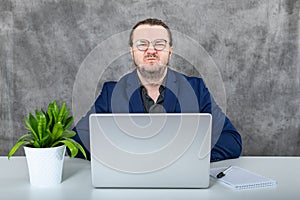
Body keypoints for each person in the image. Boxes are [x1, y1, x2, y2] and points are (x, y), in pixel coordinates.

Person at [72, 18, 242, 162]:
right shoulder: (111, 92)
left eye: (159, 44)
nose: (151, 50)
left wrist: (184, 157)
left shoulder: (196, 89)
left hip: (181, 181)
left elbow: (231, 140)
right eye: (142, 44)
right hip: (130, 182)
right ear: (132, 52)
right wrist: (127, 157)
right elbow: (76, 141)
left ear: (170, 52)